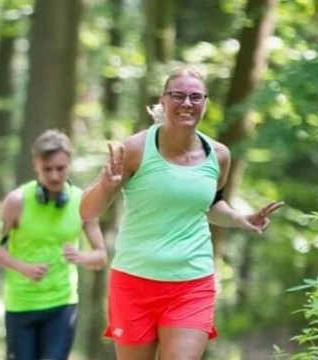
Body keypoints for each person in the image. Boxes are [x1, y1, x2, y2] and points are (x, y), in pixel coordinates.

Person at [79, 67, 284, 360]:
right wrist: (104, 184)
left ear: (205, 103)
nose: (186, 103)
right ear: (163, 101)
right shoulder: (135, 149)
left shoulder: (219, 155)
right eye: (177, 95)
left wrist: (241, 218)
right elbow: (88, 211)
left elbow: (210, 205)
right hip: (134, 281)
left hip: (191, 283)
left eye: (195, 97)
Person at [0, 129, 108, 360]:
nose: (54, 176)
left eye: (60, 168)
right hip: (21, 305)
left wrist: (80, 257)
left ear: (69, 164)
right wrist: (23, 267)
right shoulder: (15, 201)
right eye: (48, 169)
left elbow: (101, 256)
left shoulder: (83, 202)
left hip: (61, 305)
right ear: (36, 165)